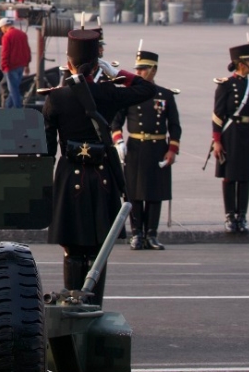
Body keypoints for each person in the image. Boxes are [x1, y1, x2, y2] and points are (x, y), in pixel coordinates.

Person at [42, 30, 155, 303]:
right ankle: (93, 306)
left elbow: (47, 149)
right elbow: (146, 89)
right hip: (103, 176)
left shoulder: (56, 98)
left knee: (72, 250)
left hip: (70, 177)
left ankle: (72, 306)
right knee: (98, 250)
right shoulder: (108, 93)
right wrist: (117, 74)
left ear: (68, 63)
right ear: (97, 64)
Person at [110, 49, 181, 250]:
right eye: (138, 69)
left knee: (154, 193)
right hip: (135, 147)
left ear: (153, 70)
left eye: (142, 69)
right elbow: (116, 121)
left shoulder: (165, 95)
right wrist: (119, 142)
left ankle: (151, 233)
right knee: (134, 194)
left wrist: (172, 149)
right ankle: (137, 233)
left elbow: (175, 125)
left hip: (157, 148)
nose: (139, 73)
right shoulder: (130, 94)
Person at [212, 42, 249, 234]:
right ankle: (229, 215)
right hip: (230, 134)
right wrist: (217, 140)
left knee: (246, 176)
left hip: (248, 133)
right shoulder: (226, 85)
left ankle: (242, 215)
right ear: (241, 63)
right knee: (230, 176)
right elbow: (217, 115)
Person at [0, 17, 31, 108]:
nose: (2, 31)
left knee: (13, 90)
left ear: (4, 26)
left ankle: (18, 109)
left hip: (10, 67)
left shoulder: (7, 36)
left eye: (1, 29)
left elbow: (5, 53)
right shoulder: (22, 34)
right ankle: (7, 109)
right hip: (21, 66)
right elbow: (27, 50)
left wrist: (4, 66)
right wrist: (27, 64)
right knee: (14, 89)